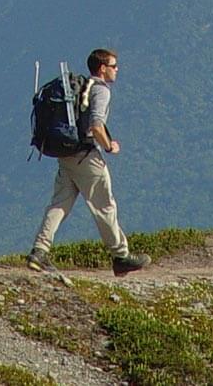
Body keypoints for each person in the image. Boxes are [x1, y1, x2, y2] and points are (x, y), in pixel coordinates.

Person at [26, 49, 150, 277]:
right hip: (86, 157)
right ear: (102, 68)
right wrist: (109, 145)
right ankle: (121, 255)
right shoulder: (101, 91)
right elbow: (95, 125)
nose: (117, 70)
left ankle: (39, 252)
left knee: (59, 204)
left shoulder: (81, 88)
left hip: (67, 155)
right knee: (104, 206)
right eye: (114, 66)